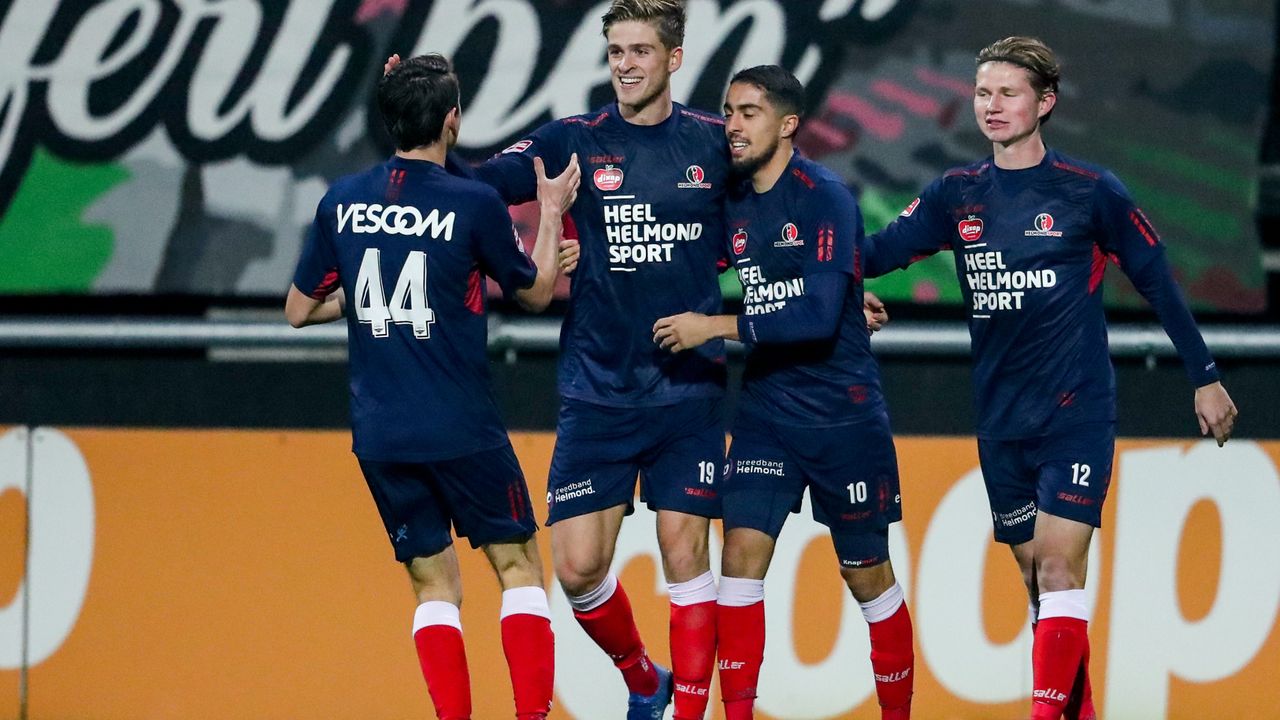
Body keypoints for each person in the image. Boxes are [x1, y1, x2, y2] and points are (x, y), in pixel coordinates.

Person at [862, 36, 1239, 720]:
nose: (993, 105)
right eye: (983, 93)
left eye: (1009, 93)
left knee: (1061, 568)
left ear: (1046, 102)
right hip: (1001, 421)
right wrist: (835, 277)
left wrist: (1204, 376)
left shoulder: (1091, 192)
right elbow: (875, 252)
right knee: (1041, 588)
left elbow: (1158, 282)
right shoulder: (956, 194)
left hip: (1076, 409)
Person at [285, 53, 581, 720]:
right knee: (519, 570)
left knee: (433, 589)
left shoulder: (344, 201)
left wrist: (366, 296)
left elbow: (300, 309)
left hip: (382, 433)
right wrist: (554, 212)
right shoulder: (472, 202)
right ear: (452, 121)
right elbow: (534, 292)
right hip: (461, 426)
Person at [652, 65, 915, 720]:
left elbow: (818, 318)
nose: (733, 126)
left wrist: (713, 326)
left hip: (841, 416)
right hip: (767, 407)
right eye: (729, 111)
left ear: (788, 124)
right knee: (740, 559)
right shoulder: (731, 199)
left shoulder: (824, 197)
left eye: (748, 113)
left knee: (866, 576)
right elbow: (676, 252)